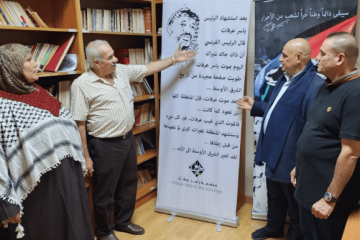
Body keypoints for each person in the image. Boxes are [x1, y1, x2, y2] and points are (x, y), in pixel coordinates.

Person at [71, 40, 195, 240]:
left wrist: (173, 59)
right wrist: (86, 156)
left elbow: (148, 68)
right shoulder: (82, 85)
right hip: (103, 145)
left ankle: (123, 222)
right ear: (96, 63)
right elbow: (80, 124)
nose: (116, 59)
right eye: (110, 57)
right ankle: (104, 232)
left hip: (127, 139)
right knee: (104, 191)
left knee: (128, 183)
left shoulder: (120, 71)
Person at [0, 44, 93, 239]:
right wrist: (7, 205)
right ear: (11, 67)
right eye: (29, 60)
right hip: (40, 192)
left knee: (75, 228)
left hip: (68, 179)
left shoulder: (37, 91)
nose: (37, 64)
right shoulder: (3, 105)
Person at [237, 38, 323, 240]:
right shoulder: (286, 77)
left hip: (291, 154)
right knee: (274, 195)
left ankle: (295, 235)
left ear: (299, 58)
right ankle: (274, 228)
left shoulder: (315, 84)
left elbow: (311, 124)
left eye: (284, 55)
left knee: (293, 202)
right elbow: (278, 110)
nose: (280, 59)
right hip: (273, 148)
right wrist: (256, 106)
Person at [291, 32, 360, 240]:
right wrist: (299, 165)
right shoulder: (328, 85)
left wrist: (330, 199)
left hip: (326, 198)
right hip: (307, 188)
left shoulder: (355, 94)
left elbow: (351, 153)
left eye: (322, 53)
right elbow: (317, 130)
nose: (316, 58)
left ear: (340, 58)